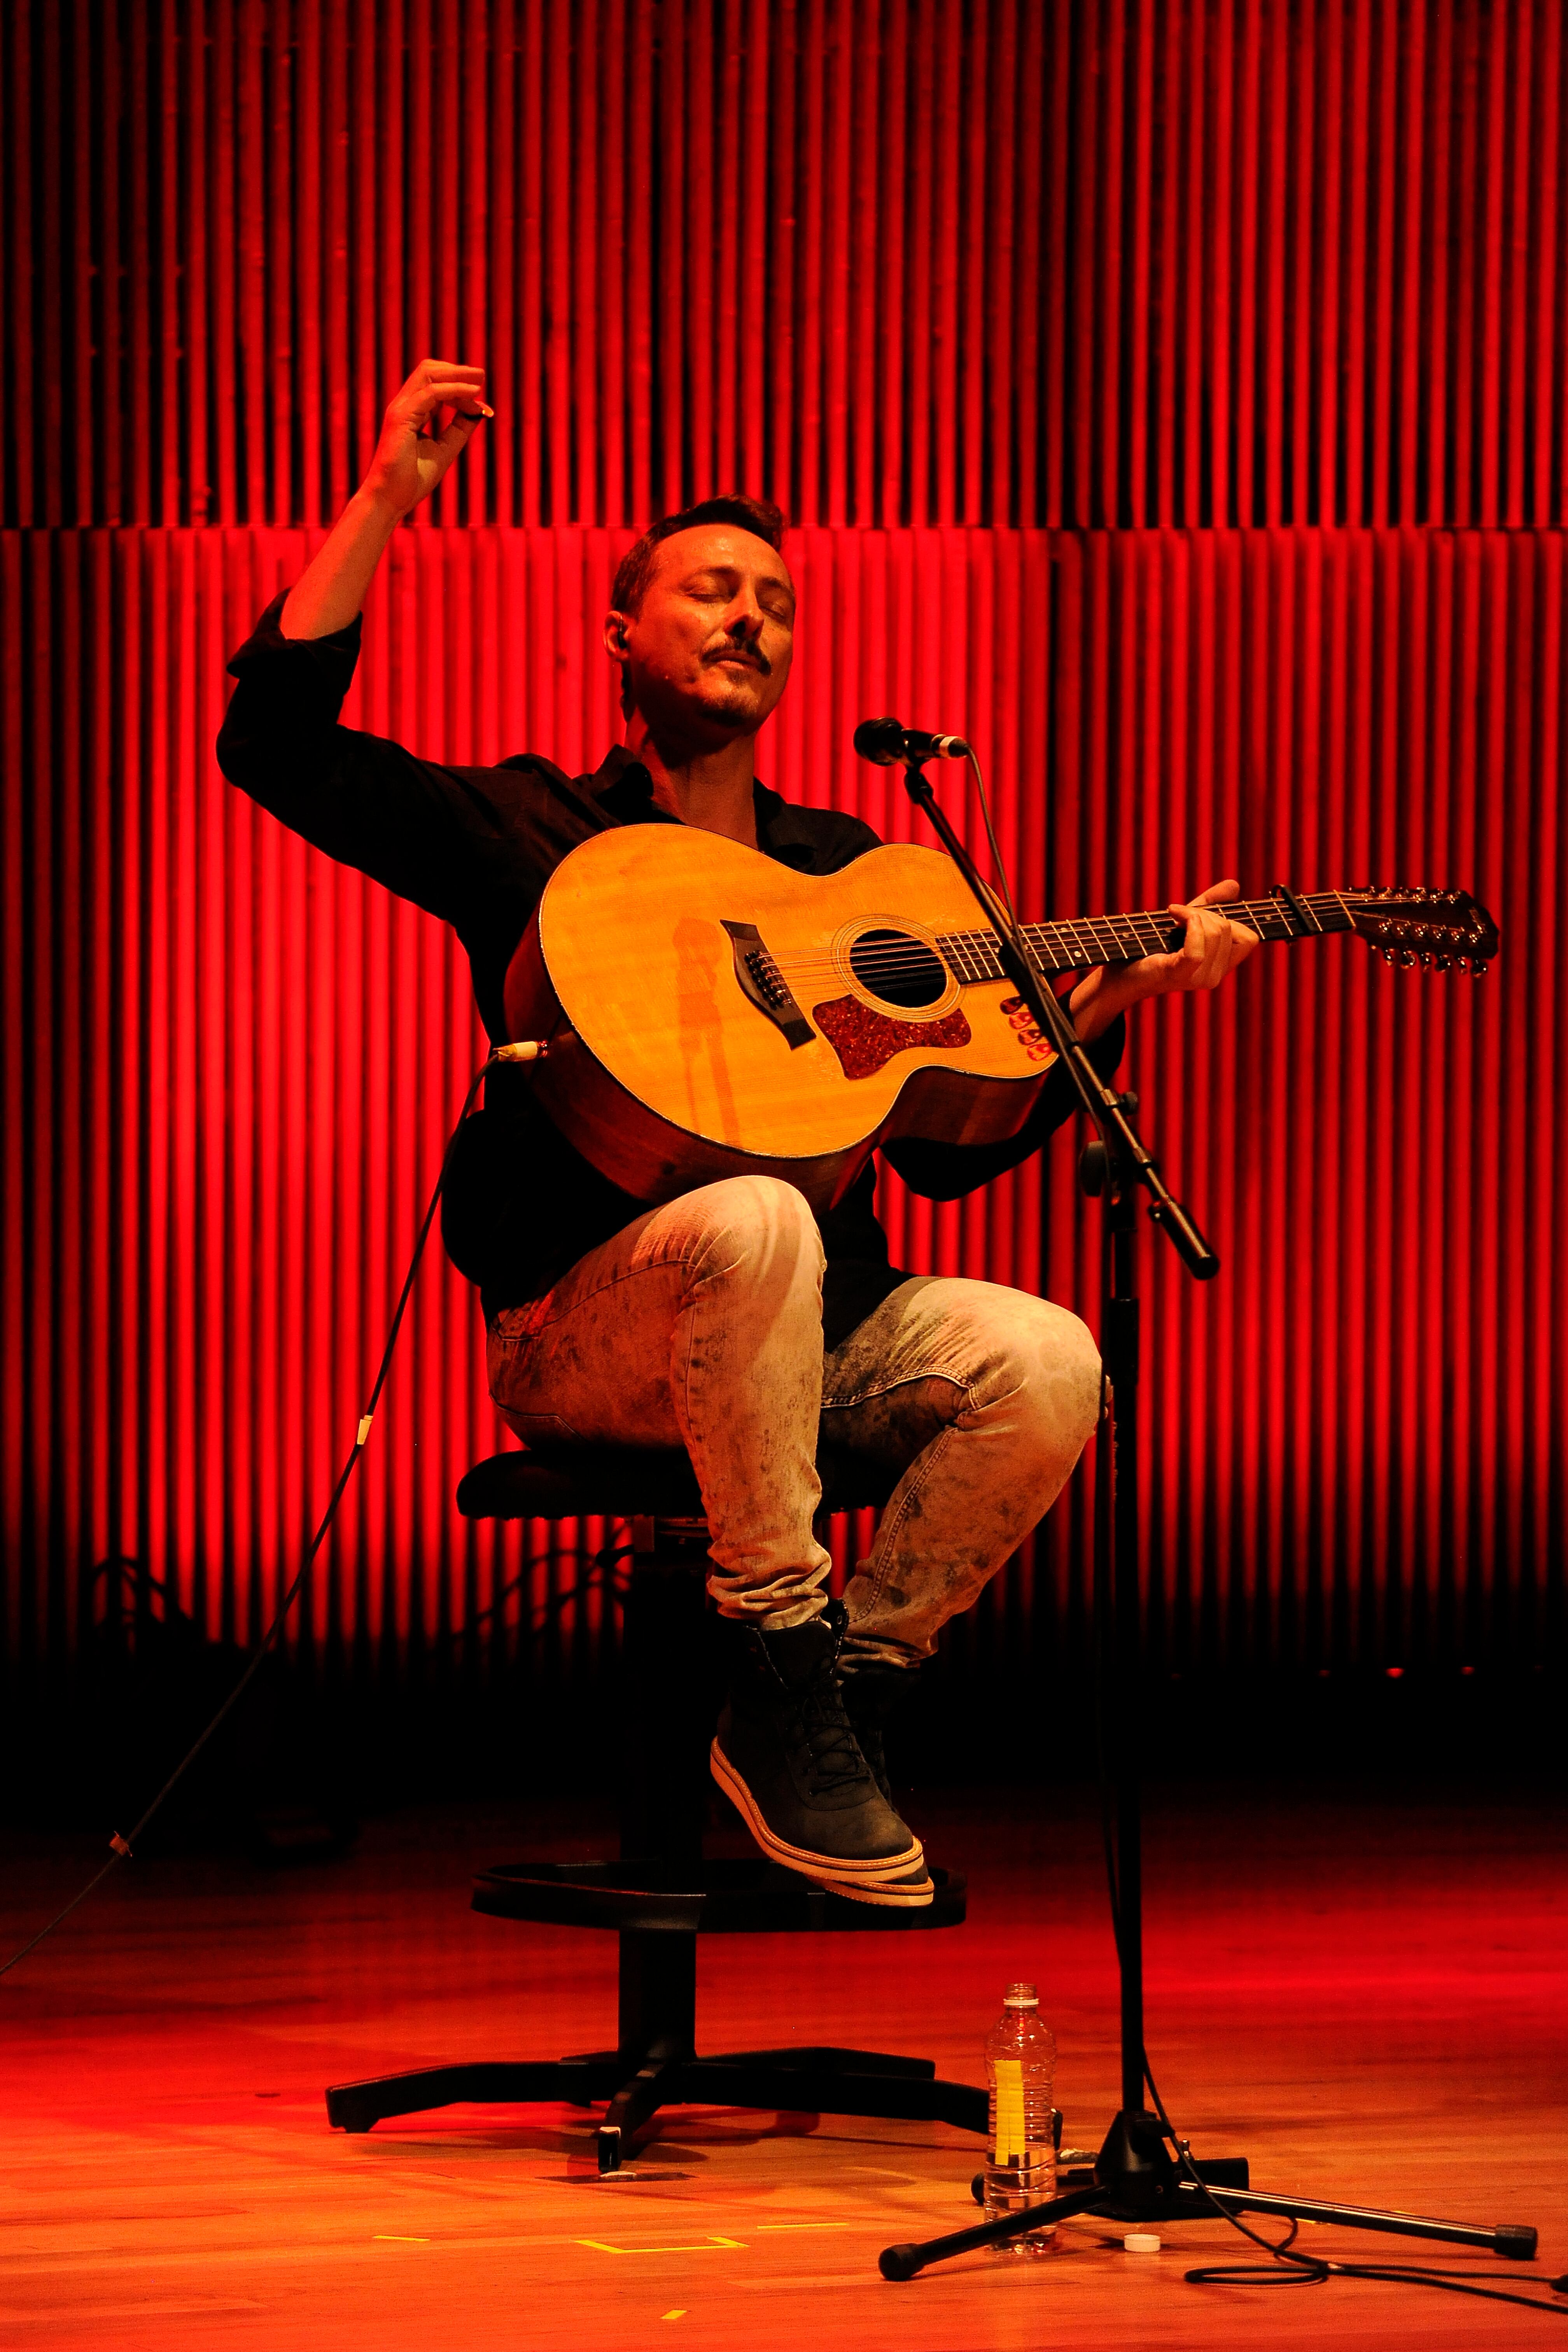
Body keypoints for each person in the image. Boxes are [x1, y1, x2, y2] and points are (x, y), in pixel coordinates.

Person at [217, 358, 1257, 1908]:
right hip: (590, 1339)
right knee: (757, 1217)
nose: (750, 618)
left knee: (1050, 1357)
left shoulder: (852, 871)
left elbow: (946, 1155)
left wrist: (1110, 1001)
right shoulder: (539, 836)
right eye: (710, 590)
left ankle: (840, 1691)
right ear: (622, 633)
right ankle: (774, 1643)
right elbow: (274, 751)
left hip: (812, 1339)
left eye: (774, 599)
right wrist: (386, 501)